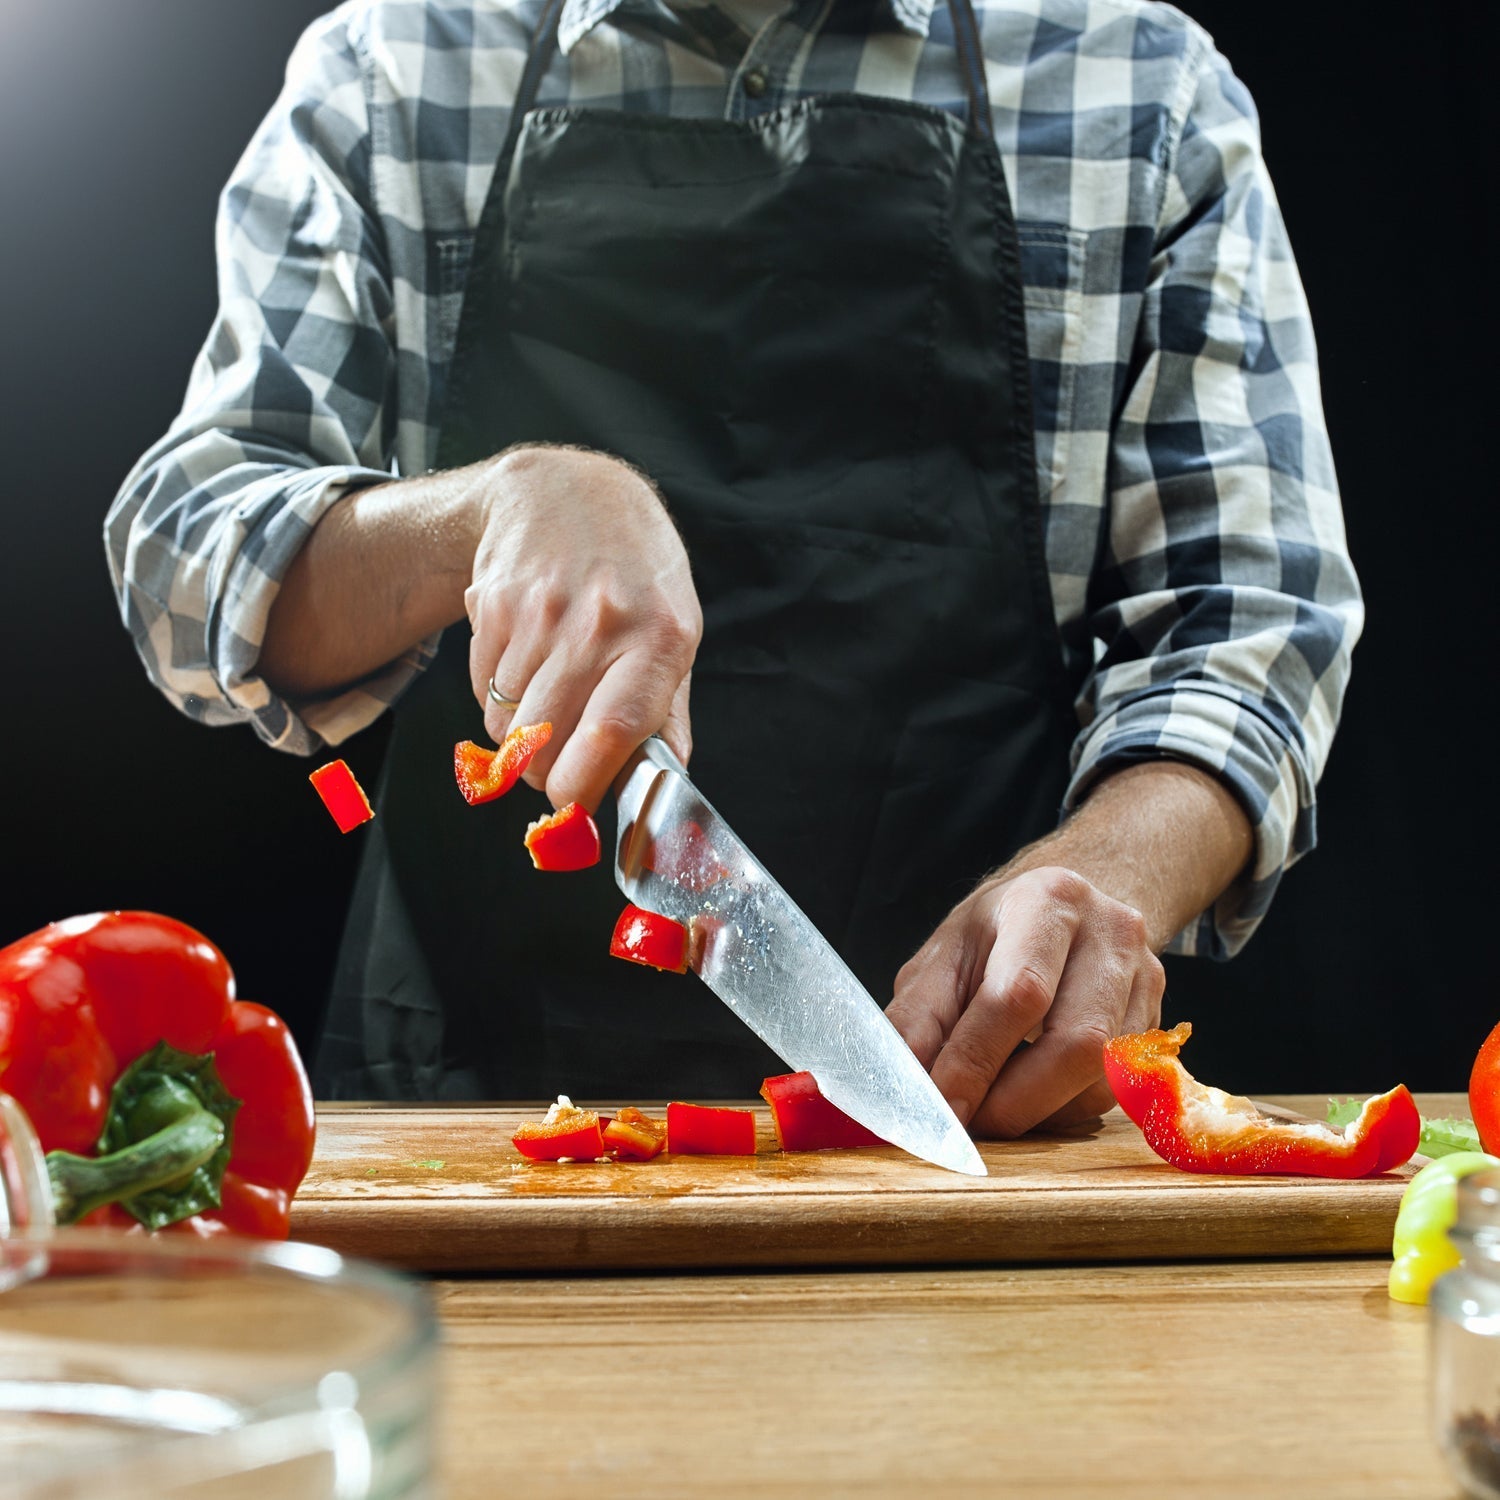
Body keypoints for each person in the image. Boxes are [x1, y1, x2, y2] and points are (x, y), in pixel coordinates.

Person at [104, 0, 1360, 1137]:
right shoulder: (397, 66)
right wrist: (490, 508)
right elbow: (186, 550)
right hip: (466, 1125)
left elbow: (1249, 625)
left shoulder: (1137, 87)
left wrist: (1102, 878)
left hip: (974, 1097)